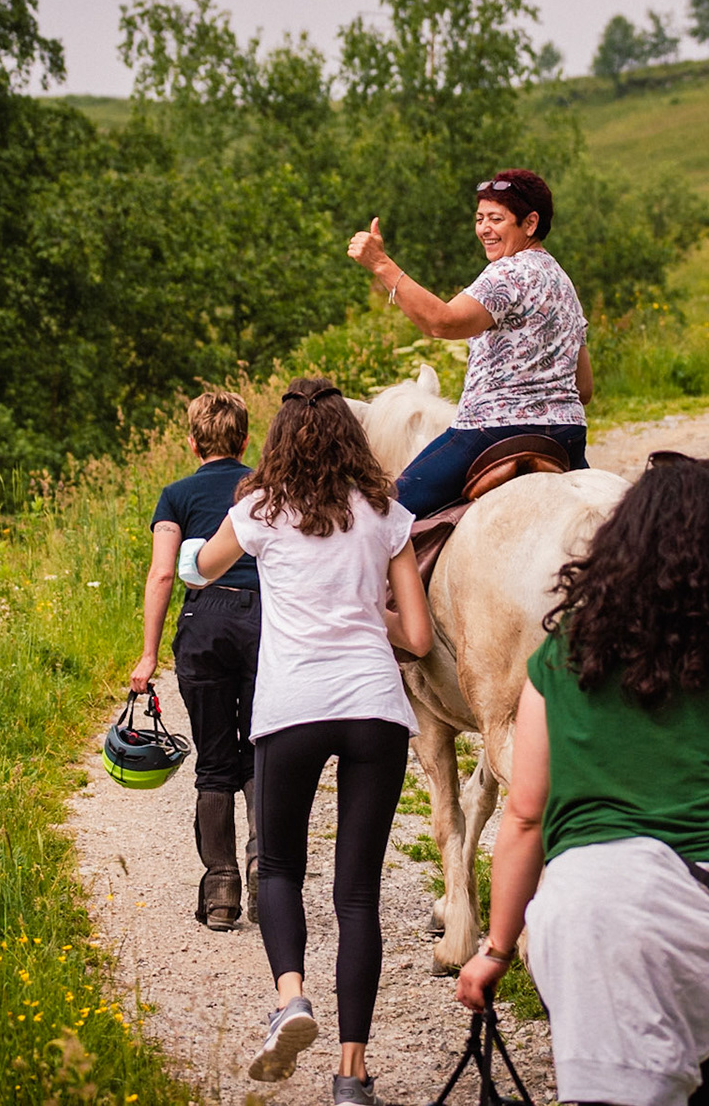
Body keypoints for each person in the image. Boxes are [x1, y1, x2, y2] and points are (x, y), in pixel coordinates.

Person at [456, 453, 709, 1106]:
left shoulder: (565, 652)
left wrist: (496, 949)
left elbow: (523, 815)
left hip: (593, 918)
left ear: (622, 544)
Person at [182, 377, 433, 1106]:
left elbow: (202, 570)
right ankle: (352, 1075)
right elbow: (415, 637)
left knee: (282, 868)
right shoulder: (387, 515)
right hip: (373, 710)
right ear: (354, 440)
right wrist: (362, 612)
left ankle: (292, 999)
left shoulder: (258, 510)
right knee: (358, 894)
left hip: (293, 706)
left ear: (279, 442)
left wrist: (193, 551)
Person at [345, 168, 593, 518]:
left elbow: (442, 322)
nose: (484, 229)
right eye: (480, 218)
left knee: (385, 518)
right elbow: (583, 388)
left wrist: (381, 265)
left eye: (496, 218)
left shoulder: (508, 273)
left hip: (492, 432)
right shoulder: (563, 283)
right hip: (568, 437)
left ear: (531, 223)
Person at [132, 391, 262, 931]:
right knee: (260, 748)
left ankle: (222, 893)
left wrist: (146, 655)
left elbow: (164, 574)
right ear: (245, 441)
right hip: (265, 623)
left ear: (192, 442)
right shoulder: (265, 486)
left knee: (214, 759)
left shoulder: (176, 495)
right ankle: (265, 868)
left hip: (204, 624)